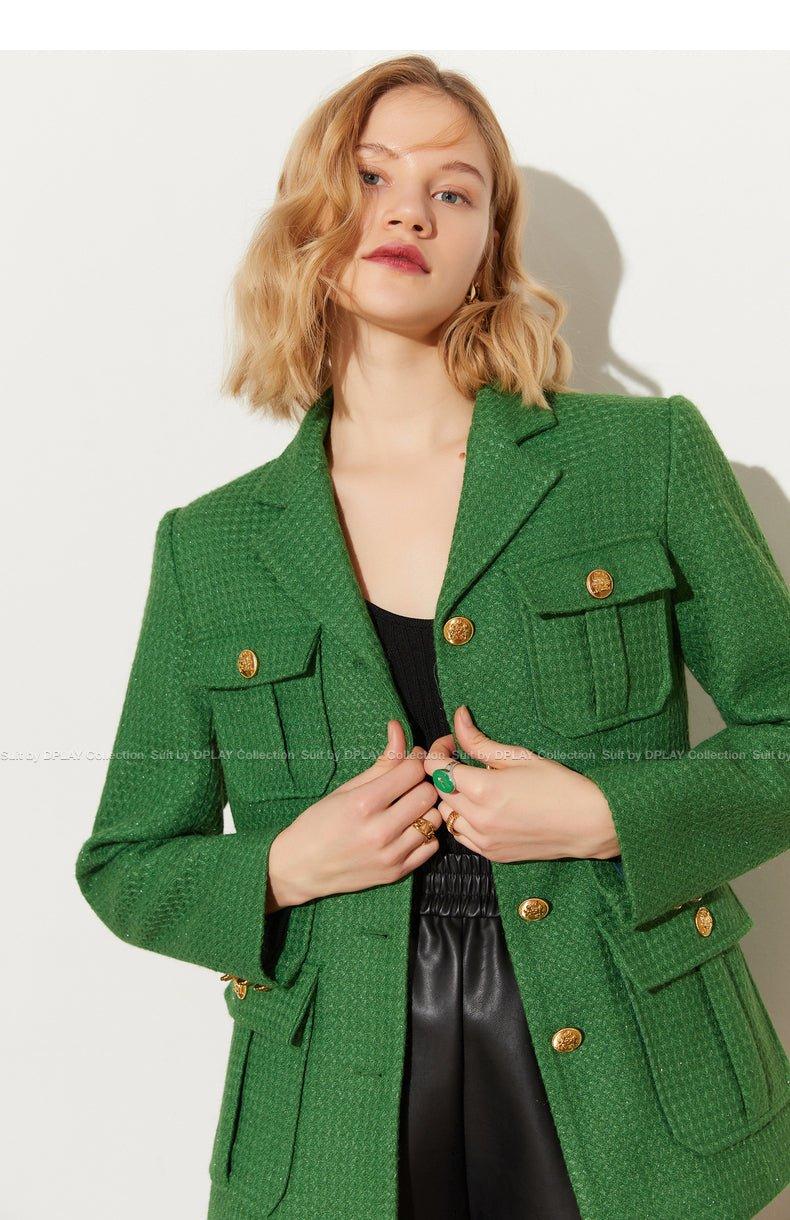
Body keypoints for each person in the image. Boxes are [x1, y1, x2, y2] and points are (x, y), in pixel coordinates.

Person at [75, 54, 790, 1220]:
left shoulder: (642, 459)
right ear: (310, 216)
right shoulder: (211, 548)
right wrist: (283, 863)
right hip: (330, 1113)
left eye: (452, 191)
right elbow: (126, 861)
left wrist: (606, 812)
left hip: (635, 1083)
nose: (409, 210)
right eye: (371, 176)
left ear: (488, 247)